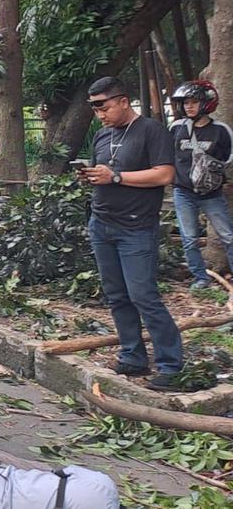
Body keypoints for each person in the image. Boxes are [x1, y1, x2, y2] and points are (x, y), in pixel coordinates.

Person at [79, 77, 185, 391]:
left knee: (144, 296)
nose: (101, 114)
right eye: (95, 108)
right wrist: (94, 177)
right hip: (102, 224)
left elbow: (164, 174)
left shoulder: (152, 130)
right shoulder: (101, 136)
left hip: (136, 228)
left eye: (105, 106)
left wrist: (116, 177)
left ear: (124, 101)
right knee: (117, 296)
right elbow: (107, 174)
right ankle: (132, 356)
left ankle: (170, 365)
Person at [168, 80, 233, 290]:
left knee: (228, 236)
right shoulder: (176, 128)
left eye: (194, 102)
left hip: (211, 193)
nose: (188, 106)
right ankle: (200, 278)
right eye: (185, 102)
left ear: (206, 103)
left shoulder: (221, 131)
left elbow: (227, 159)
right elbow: (167, 155)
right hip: (183, 191)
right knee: (189, 238)